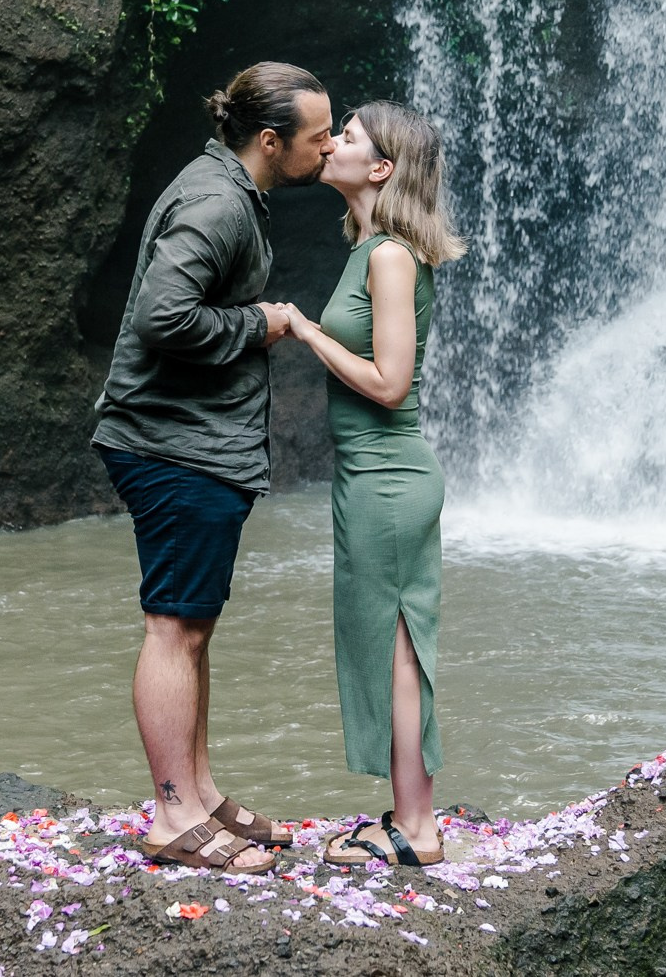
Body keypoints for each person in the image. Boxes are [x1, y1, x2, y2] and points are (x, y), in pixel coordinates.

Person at [92, 62, 336, 873]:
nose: (330, 145)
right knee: (173, 625)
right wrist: (258, 323)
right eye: (318, 134)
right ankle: (172, 816)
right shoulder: (218, 202)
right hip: (170, 442)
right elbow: (165, 316)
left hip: (190, 440)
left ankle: (197, 793)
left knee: (194, 624)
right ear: (272, 141)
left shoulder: (227, 188)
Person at [277, 101, 466, 867]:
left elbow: (390, 383)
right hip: (372, 475)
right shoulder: (370, 247)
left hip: (389, 474)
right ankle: (408, 814)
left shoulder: (389, 256)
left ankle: (416, 829)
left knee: (396, 651)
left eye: (348, 136)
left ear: (381, 168)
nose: (331, 142)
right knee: (387, 646)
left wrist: (306, 329)